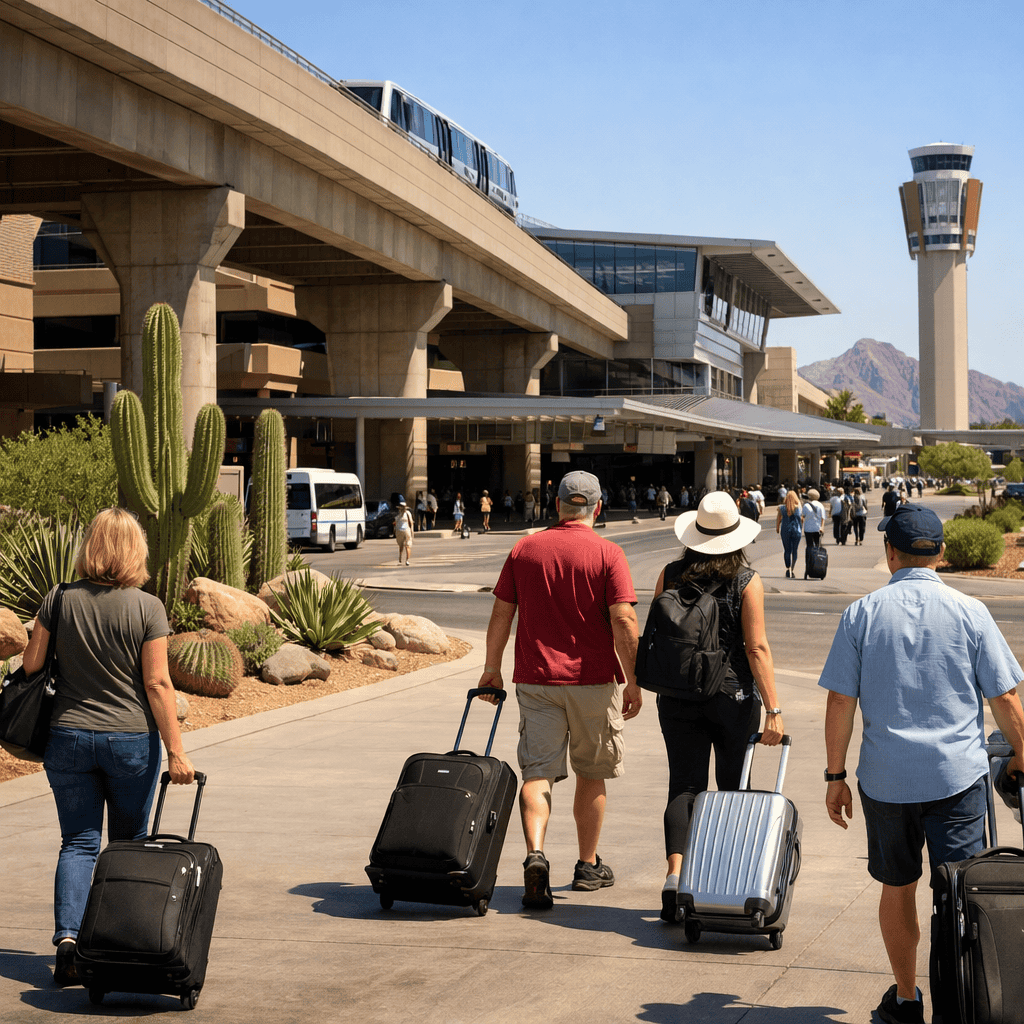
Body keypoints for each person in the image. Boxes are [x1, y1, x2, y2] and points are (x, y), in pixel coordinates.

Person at [820, 503, 1024, 1024]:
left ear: (890, 552)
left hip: (887, 782)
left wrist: (835, 776)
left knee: (898, 886)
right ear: (941, 553)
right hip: (956, 778)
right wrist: (1023, 755)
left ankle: (907, 999)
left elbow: (841, 701)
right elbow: (1006, 699)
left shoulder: (861, 614)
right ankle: (964, 1003)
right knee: (961, 888)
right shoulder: (970, 611)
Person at [20, 508, 196, 987]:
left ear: (91, 547)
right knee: (128, 846)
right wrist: (178, 752)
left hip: (68, 738)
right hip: (130, 744)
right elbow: (157, 683)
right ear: (136, 551)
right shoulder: (148, 608)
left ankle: (69, 944)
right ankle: (121, 942)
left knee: (77, 842)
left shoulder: (58, 598)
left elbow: (32, 665)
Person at [476, 471, 642, 909]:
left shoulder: (524, 549)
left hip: (536, 680)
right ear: (598, 507)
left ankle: (535, 854)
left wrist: (491, 668)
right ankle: (588, 866)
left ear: (556, 506)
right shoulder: (608, 553)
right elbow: (624, 620)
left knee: (537, 772)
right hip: (593, 681)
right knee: (592, 771)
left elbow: (501, 614)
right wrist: (635, 680)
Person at [652, 491, 784, 922]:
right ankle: (720, 880)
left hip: (677, 696)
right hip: (732, 697)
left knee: (684, 785)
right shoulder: (747, 580)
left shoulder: (670, 574)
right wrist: (774, 709)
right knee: (731, 788)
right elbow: (757, 647)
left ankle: (674, 877)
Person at [776, 489, 804, 578]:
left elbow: (779, 519)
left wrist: (777, 528)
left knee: (787, 550)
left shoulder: (782, 508)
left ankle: (787, 568)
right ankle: (793, 569)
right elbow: (802, 519)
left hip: (785, 530)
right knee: (794, 550)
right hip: (796, 531)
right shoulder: (798, 508)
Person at [801, 488, 826, 571]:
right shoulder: (820, 505)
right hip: (818, 529)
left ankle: (808, 564)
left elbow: (802, 516)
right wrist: (822, 527)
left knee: (809, 546)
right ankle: (817, 563)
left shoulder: (806, 505)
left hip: (808, 529)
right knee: (817, 546)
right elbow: (823, 518)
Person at [394, 497, 415, 564]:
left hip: (400, 531)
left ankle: (400, 558)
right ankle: (407, 560)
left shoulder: (398, 514)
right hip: (407, 531)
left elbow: (395, 523)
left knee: (401, 545)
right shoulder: (408, 514)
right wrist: (412, 532)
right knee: (407, 545)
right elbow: (411, 523)